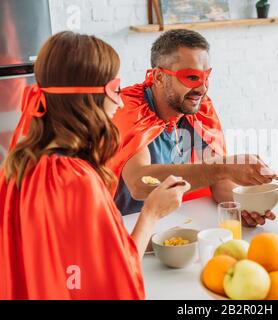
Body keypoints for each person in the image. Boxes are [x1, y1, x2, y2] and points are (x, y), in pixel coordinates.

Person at [0, 31, 190, 299]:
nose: (120, 101)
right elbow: (113, 280)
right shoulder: (75, 179)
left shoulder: (19, 163)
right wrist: (151, 213)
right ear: (85, 99)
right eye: (114, 89)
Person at [110, 29, 276, 227]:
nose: (202, 88)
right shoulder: (128, 107)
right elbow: (140, 183)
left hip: (177, 222)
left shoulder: (198, 107)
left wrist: (240, 206)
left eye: (206, 76)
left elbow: (221, 181)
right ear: (159, 77)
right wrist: (225, 167)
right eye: (191, 77)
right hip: (126, 227)